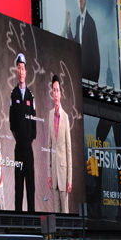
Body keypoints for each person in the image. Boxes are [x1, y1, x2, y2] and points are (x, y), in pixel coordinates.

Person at [9, 53, 36, 212]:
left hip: (29, 148)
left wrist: (30, 138)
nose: (21, 71)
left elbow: (34, 121)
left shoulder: (31, 96)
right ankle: (18, 218)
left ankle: (32, 216)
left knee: (30, 186)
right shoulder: (13, 94)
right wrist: (19, 139)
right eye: (18, 68)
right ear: (16, 71)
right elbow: (12, 122)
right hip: (19, 148)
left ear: (26, 72)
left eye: (23, 68)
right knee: (18, 185)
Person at [66, 0, 100, 83]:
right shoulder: (77, 20)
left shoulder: (91, 22)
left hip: (89, 80)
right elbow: (75, 45)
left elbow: (96, 56)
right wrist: (68, 27)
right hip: (79, 77)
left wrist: (94, 81)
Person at [47, 74, 72, 213]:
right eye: (53, 90)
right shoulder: (50, 115)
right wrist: (49, 174)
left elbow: (69, 150)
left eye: (57, 90)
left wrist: (70, 179)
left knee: (65, 212)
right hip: (54, 175)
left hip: (63, 173)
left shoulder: (66, 117)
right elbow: (49, 147)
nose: (55, 93)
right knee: (55, 213)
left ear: (61, 93)